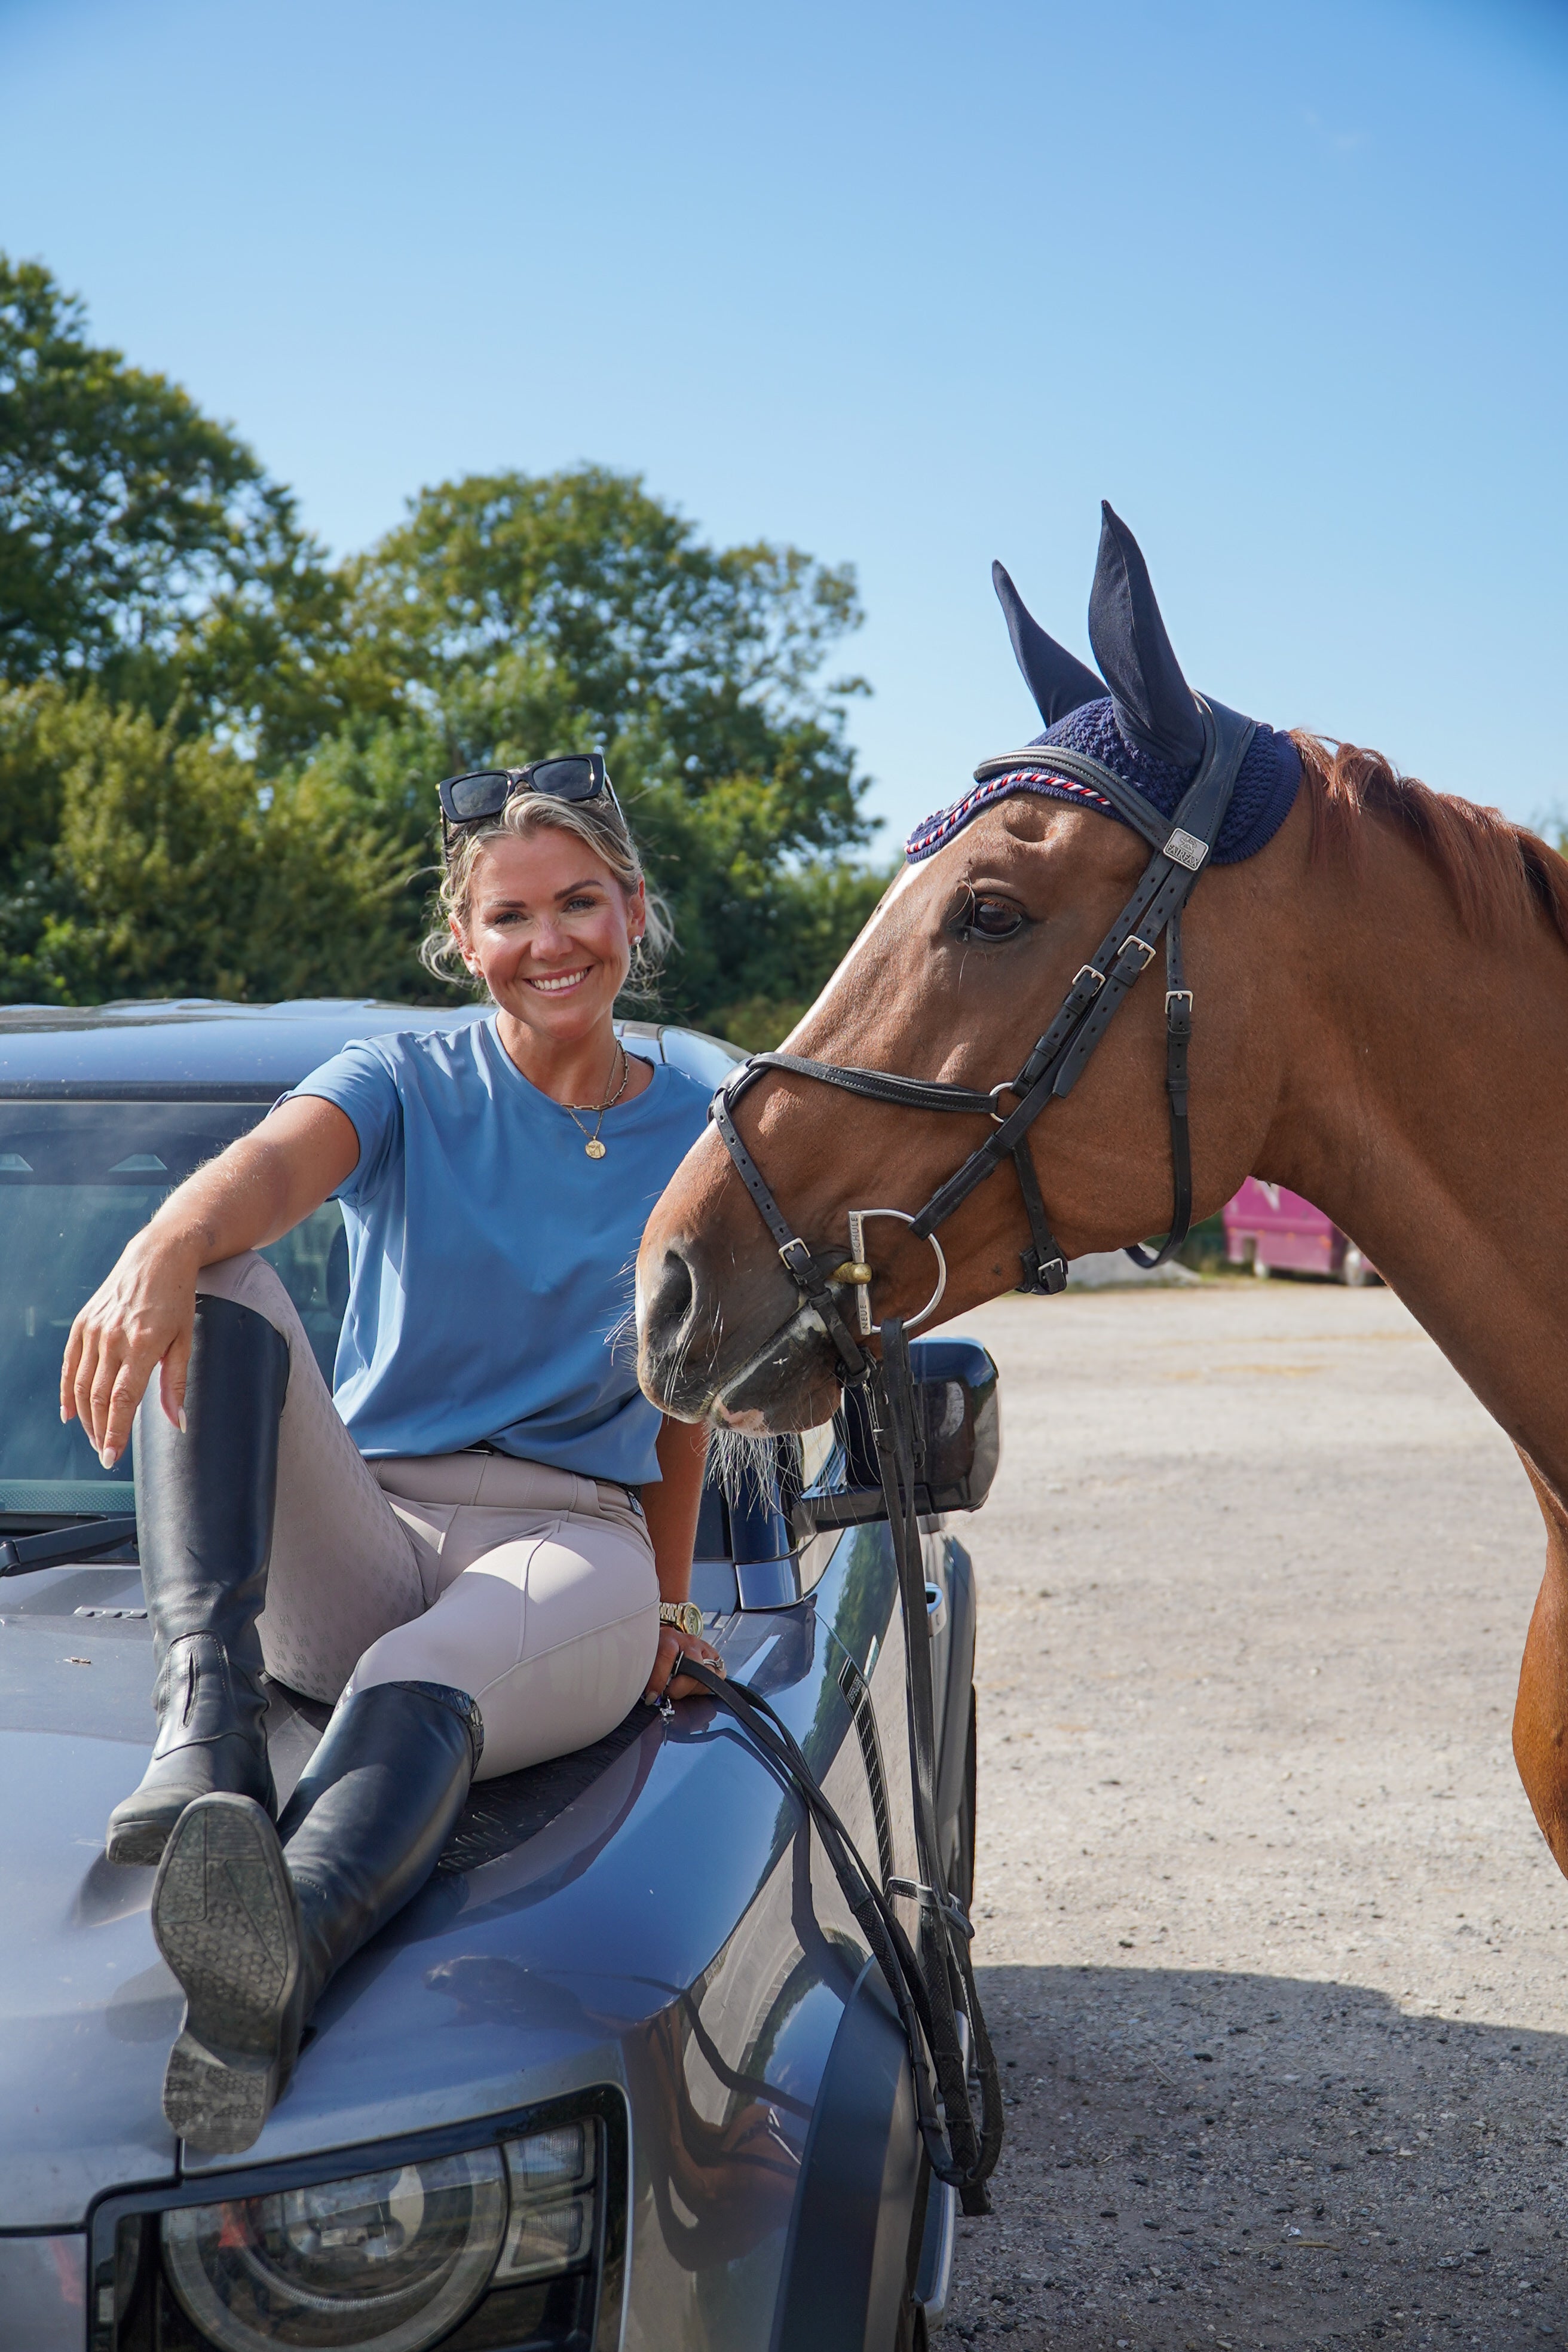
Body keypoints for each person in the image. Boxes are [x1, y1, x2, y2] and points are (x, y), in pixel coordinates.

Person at [61, 754, 722, 2155]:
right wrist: (161, 1246)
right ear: (463, 941)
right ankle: (208, 1728)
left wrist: (668, 1609)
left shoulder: (709, 1119)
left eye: (581, 904)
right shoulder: (405, 1078)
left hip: (570, 1549)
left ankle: (275, 1954)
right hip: (366, 1524)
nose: (550, 944)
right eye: (511, 918)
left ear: (635, 914)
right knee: (218, 1272)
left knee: (422, 1671)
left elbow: (683, 1395)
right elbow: (273, 1170)